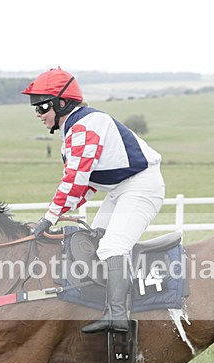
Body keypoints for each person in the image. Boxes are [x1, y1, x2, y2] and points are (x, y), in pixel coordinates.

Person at [23, 68, 165, 334]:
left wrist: (49, 217)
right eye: (36, 110)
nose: (39, 115)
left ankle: (119, 316)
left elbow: (74, 181)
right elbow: (85, 185)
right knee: (95, 240)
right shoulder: (75, 127)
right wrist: (61, 211)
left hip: (141, 187)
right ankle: (98, 305)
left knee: (112, 247)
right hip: (121, 189)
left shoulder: (84, 126)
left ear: (61, 103)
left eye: (42, 108)